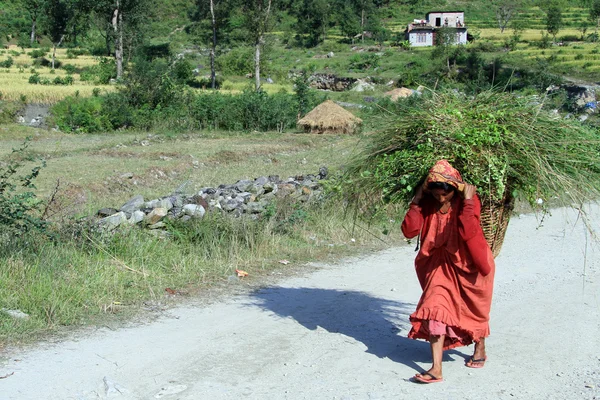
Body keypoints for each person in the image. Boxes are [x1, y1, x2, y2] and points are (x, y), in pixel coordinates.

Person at [401, 159, 495, 384]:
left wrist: (470, 200)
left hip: (468, 264)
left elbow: (469, 231)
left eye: (445, 194)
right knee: (435, 307)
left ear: (455, 188)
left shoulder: (468, 202)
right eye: (435, 194)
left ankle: (479, 346)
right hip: (438, 264)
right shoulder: (427, 203)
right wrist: (417, 199)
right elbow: (409, 230)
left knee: (473, 309)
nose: (440, 198)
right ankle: (436, 368)